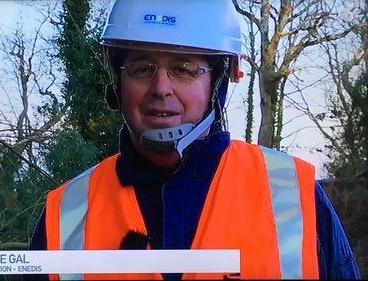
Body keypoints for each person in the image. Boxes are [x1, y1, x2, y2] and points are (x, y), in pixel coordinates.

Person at [24, 0, 362, 279]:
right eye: (142, 68)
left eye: (183, 69)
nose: (161, 88)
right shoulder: (68, 212)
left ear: (219, 80)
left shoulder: (292, 194)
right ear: (118, 81)